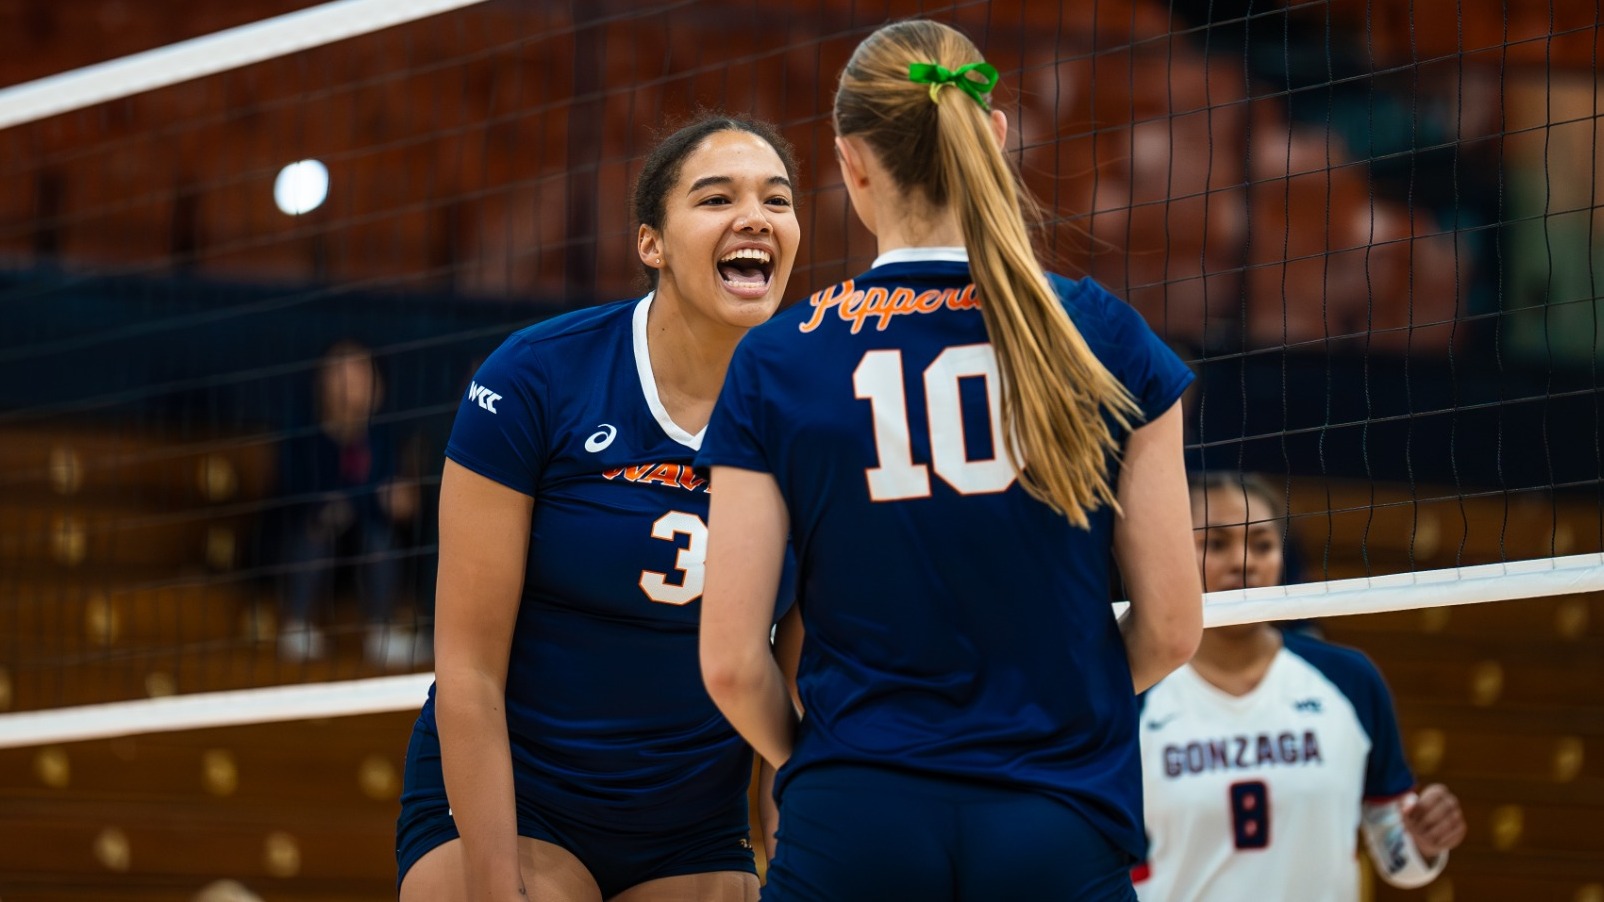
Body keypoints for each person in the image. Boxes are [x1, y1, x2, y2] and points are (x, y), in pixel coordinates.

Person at [696, 20, 1202, 902]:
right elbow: (1171, 629)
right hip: (1055, 813)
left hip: (855, 819)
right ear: (994, 134)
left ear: (852, 162)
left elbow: (733, 665)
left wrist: (827, 759)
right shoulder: (1104, 335)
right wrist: (1060, 713)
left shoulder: (779, 360)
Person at [395, 113, 801, 902]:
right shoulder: (537, 376)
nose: (754, 217)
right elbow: (468, 669)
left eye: (776, 200)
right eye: (717, 198)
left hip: (694, 826)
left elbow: (797, 697)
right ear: (652, 243)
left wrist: (797, 874)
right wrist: (496, 887)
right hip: (518, 798)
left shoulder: (815, 414)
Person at [1133, 472, 1468, 901]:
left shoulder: (1348, 680)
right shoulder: (1138, 693)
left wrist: (1423, 842)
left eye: (1262, 545)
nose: (1243, 562)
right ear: (1173, 553)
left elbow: (1396, 853)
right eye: (1216, 544)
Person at [275, 339, 421, 668]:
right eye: (341, 374)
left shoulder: (385, 439)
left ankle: (383, 630)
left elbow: (400, 501)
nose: (352, 385)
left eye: (362, 374)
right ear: (323, 383)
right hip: (312, 544)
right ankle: (297, 623)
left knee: (380, 540)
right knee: (317, 531)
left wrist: (395, 500)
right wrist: (364, 499)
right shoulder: (304, 437)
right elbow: (297, 495)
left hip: (369, 545)